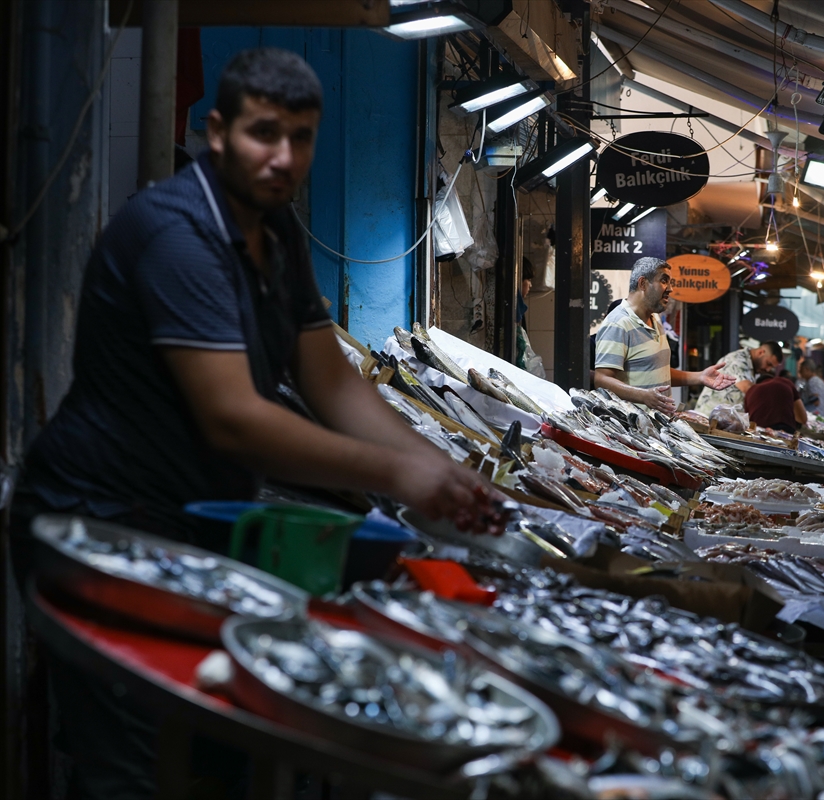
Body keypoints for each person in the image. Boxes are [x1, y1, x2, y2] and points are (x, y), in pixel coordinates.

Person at [15, 49, 507, 797]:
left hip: (187, 522)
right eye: (263, 133)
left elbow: (329, 381)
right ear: (217, 133)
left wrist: (439, 469)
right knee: (136, 764)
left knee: (205, 754)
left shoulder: (274, 233)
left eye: (300, 137)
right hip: (103, 519)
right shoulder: (178, 234)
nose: (283, 157)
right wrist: (399, 473)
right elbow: (234, 420)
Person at [593, 257, 734, 412]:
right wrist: (643, 396)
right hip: (633, 424)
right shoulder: (617, 323)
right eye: (664, 281)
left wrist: (700, 377)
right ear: (643, 283)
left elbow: (658, 371)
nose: (670, 289)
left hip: (659, 423)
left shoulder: (655, 318)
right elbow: (602, 379)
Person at [693, 341, 783, 416]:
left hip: (721, 420)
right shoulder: (737, 360)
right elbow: (748, 388)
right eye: (768, 364)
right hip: (708, 417)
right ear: (761, 352)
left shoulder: (754, 368)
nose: (768, 369)